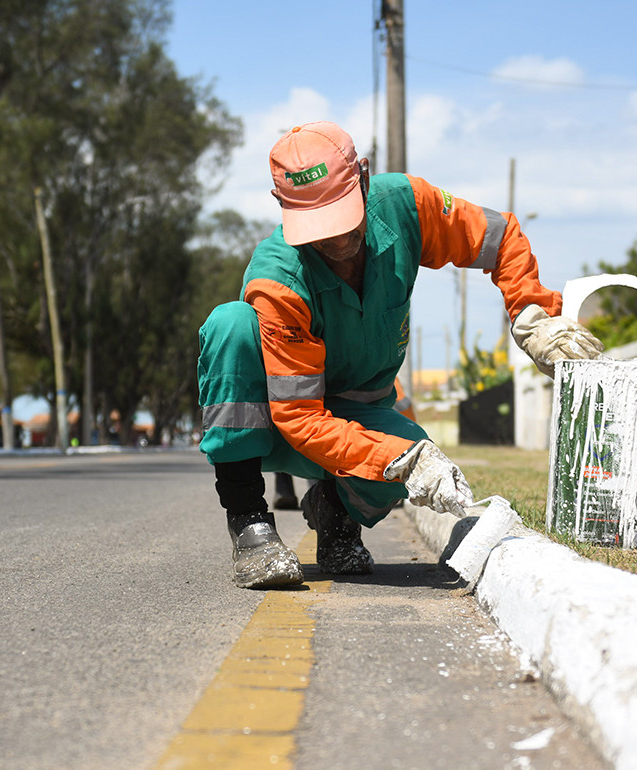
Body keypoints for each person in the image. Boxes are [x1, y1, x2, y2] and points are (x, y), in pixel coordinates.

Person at [197, 121, 602, 589]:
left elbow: (500, 237)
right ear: (282, 205)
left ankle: (335, 513)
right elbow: (302, 419)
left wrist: (533, 314)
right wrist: (400, 458)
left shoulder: (407, 205)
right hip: (282, 424)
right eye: (317, 223)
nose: (334, 240)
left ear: (364, 178)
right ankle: (250, 525)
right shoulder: (278, 278)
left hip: (360, 411)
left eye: (342, 216)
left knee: (403, 464)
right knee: (230, 323)